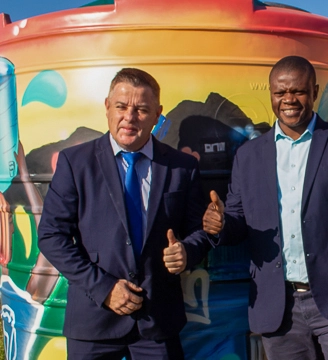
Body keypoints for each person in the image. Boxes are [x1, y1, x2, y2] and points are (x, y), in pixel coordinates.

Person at [202, 55, 328, 360]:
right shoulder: (249, 155)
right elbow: (238, 220)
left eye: (298, 91)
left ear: (315, 92)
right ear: (271, 94)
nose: (289, 100)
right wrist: (221, 225)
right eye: (280, 93)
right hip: (278, 305)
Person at [37, 68, 212, 360]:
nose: (130, 117)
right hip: (93, 322)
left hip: (157, 324)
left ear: (158, 114)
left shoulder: (182, 167)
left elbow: (199, 232)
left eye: (142, 109)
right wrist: (104, 288)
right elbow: (51, 236)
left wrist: (187, 251)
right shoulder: (75, 163)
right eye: (121, 106)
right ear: (107, 107)